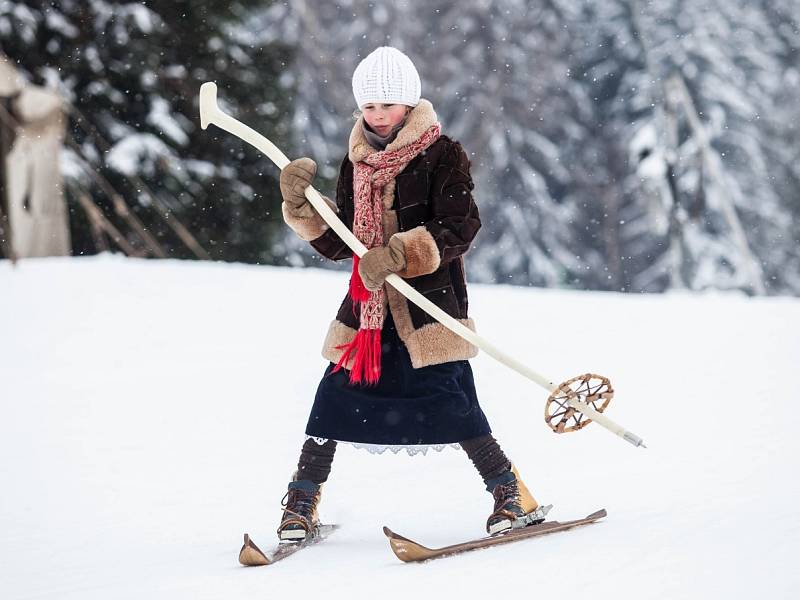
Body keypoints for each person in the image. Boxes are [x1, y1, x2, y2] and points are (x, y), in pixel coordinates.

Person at [277, 46, 544, 541]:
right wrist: (301, 208)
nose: (377, 116)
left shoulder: (444, 154)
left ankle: (512, 494)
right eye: (369, 107)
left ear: (410, 104)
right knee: (331, 399)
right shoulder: (356, 164)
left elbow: (461, 225)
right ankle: (301, 503)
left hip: (429, 306)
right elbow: (340, 241)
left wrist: (402, 253)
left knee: (454, 404)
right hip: (367, 312)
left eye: (387, 105)